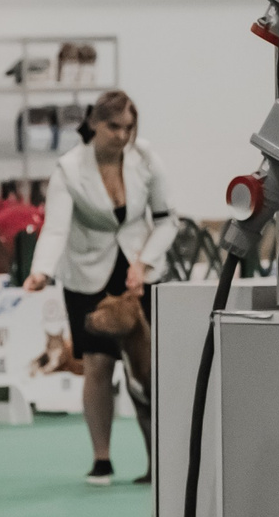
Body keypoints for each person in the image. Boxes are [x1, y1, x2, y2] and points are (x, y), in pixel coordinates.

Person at [22, 91, 178, 484]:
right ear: (94, 123)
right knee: (98, 365)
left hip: (138, 266)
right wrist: (41, 271)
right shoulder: (69, 169)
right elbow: (56, 227)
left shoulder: (147, 160)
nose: (123, 135)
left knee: (147, 371)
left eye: (129, 127)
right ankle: (102, 458)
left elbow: (165, 220)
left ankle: (157, 463)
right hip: (86, 270)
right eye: (114, 127)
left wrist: (143, 262)